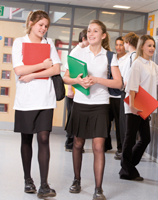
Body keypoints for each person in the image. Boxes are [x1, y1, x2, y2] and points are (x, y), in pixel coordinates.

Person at [63, 19, 122, 200]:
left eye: (95, 31)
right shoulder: (78, 51)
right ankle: (77, 180)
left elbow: (118, 83)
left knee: (98, 146)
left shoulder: (110, 56)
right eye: (89, 31)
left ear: (103, 36)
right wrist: (78, 81)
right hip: (81, 103)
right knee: (78, 144)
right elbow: (66, 78)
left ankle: (98, 189)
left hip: (100, 104)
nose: (91, 34)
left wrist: (96, 79)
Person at [11, 10, 61, 198]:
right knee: (26, 139)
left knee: (44, 139)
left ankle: (44, 185)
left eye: (46, 26)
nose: (43, 29)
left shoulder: (49, 44)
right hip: (26, 100)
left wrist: (32, 75)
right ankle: (27, 180)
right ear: (31, 23)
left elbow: (56, 68)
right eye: (41, 25)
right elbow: (18, 69)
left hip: (45, 99)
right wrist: (42, 65)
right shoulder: (19, 42)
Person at [119, 35, 158, 181]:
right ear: (142, 46)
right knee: (130, 139)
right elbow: (132, 87)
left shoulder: (152, 65)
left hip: (144, 106)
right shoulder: (137, 64)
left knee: (145, 138)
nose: (152, 48)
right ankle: (127, 169)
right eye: (149, 45)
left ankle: (127, 166)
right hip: (134, 106)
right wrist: (133, 107)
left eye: (153, 46)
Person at [65, 29, 89, 152]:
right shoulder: (76, 52)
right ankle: (69, 144)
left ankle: (72, 143)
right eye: (89, 39)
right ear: (84, 39)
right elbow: (68, 73)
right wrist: (70, 90)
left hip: (79, 91)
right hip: (73, 91)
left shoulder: (84, 51)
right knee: (72, 118)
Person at [104, 36, 129, 159]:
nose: (119, 47)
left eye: (121, 44)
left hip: (120, 95)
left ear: (126, 45)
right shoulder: (112, 57)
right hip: (108, 94)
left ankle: (120, 148)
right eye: (117, 44)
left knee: (120, 124)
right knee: (106, 122)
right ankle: (106, 145)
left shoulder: (128, 58)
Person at [118, 32, 139, 159]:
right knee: (127, 125)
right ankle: (127, 152)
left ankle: (127, 152)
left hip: (128, 91)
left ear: (128, 43)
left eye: (124, 42)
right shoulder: (132, 56)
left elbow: (129, 75)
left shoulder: (133, 56)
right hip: (128, 90)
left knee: (126, 125)